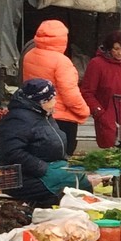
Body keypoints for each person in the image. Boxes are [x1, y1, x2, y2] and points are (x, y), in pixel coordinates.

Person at [0, 79, 68, 207]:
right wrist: (43, 168)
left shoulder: (43, 114)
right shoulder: (17, 119)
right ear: (41, 101)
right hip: (19, 177)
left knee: (80, 178)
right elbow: (12, 152)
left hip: (44, 169)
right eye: (52, 99)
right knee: (70, 187)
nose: (55, 103)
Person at [22, 19, 89, 155]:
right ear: (62, 39)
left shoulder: (29, 55)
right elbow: (70, 94)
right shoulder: (62, 62)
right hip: (61, 119)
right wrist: (84, 111)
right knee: (62, 158)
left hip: (36, 114)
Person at [80, 30, 121, 149]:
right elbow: (87, 92)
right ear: (109, 48)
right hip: (108, 119)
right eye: (116, 49)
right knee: (110, 152)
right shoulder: (96, 64)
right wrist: (100, 113)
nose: (120, 53)